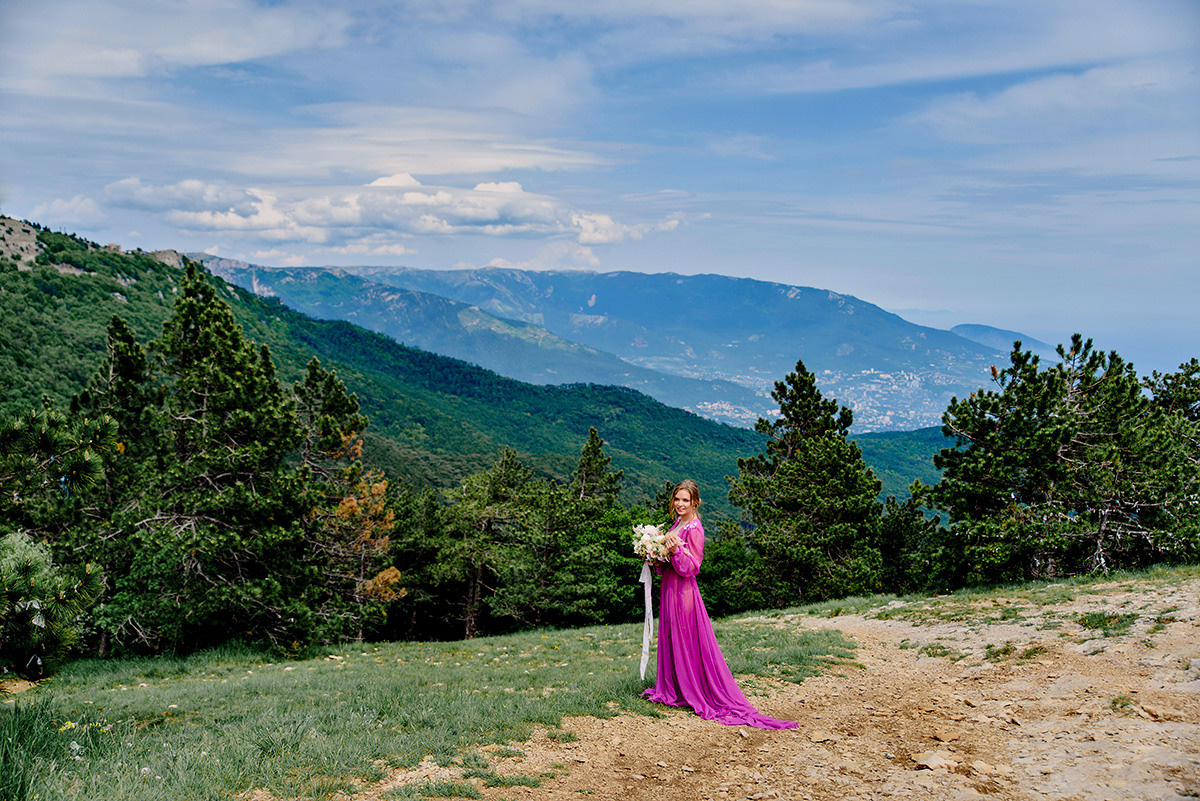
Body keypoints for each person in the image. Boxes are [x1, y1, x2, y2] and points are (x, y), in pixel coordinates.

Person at [641, 479, 797, 729]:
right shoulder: (677, 523)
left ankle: (695, 689)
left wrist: (674, 552)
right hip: (670, 588)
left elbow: (692, 567)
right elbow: (670, 562)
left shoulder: (694, 529)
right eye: (677, 499)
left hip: (683, 591)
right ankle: (677, 687)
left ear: (695, 502)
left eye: (685, 500)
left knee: (686, 639)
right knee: (673, 637)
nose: (680, 504)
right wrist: (655, 556)